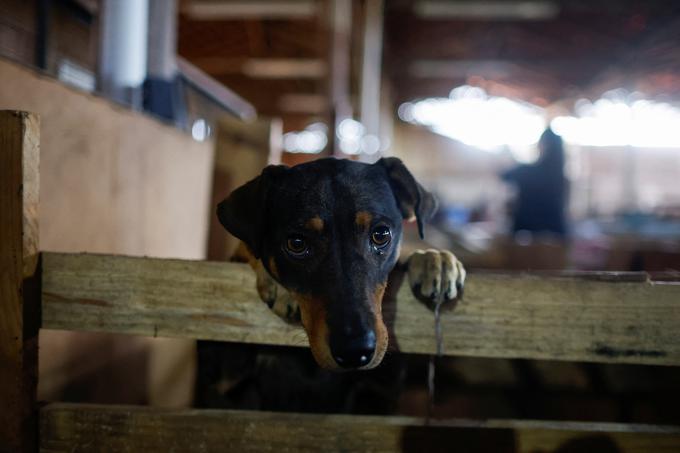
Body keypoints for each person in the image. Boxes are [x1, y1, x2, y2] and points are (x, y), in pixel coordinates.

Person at [501, 127, 569, 238]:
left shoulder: (529, 172)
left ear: (545, 145)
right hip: (557, 236)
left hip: (527, 237)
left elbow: (505, 175)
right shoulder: (562, 177)